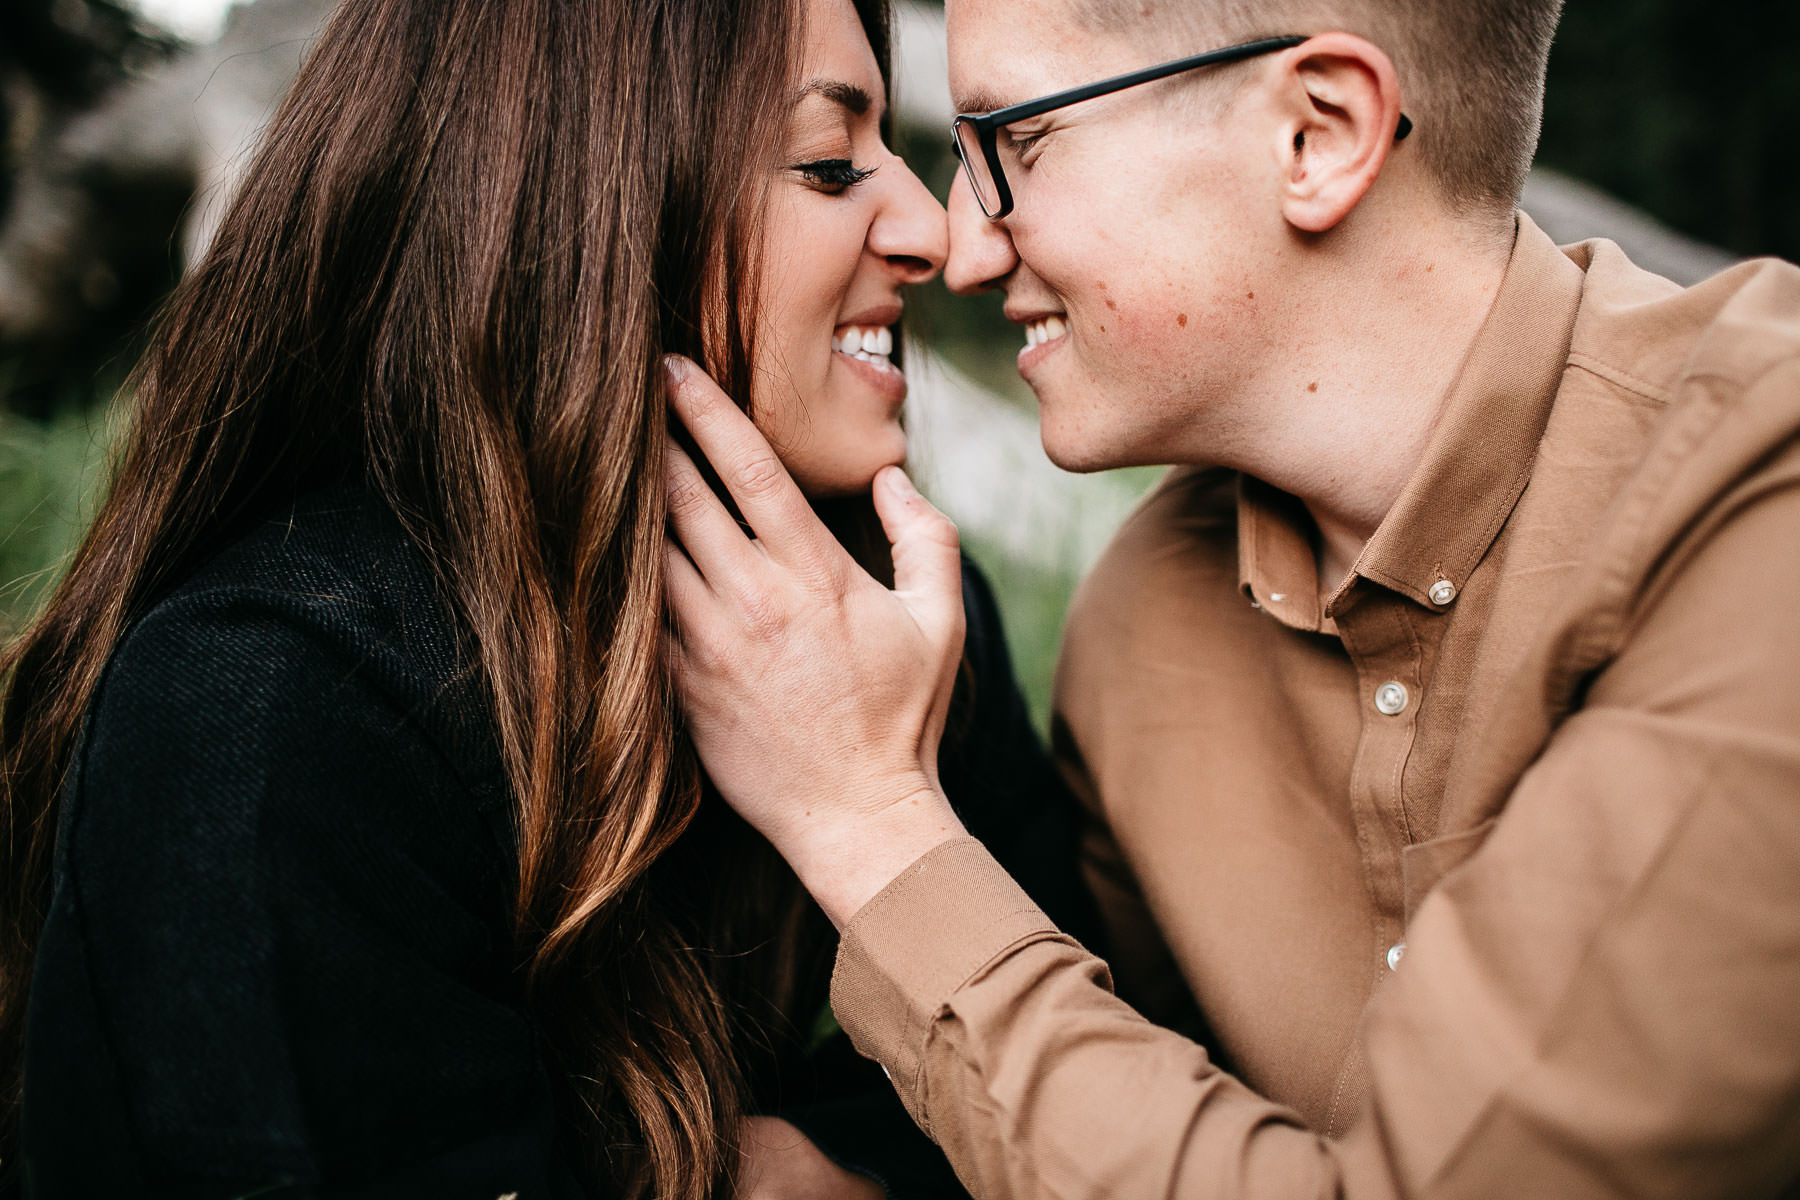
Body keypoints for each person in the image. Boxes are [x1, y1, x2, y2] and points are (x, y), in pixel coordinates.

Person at [661, 0, 1800, 1195]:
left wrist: (870, 824)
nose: (964, 244)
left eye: (1019, 144)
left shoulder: (1756, 512)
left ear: (1316, 134)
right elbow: (1108, 1117)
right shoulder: (1140, 627)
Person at [0, 0, 1090, 1196]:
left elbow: (1105, 1063)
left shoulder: (893, 609)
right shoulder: (272, 708)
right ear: (587, 216)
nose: (934, 227)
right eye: (831, 164)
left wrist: (809, 1166)